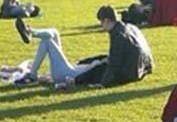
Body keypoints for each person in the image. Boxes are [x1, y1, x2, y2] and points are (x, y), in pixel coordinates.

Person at [13, 6, 154, 88]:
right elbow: (114, 59)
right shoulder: (128, 28)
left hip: (71, 74)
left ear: (106, 20)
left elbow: (113, 66)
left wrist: (98, 83)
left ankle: (32, 76)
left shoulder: (118, 36)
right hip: (79, 69)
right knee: (54, 32)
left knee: (47, 41)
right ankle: (31, 32)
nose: (101, 26)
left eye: (101, 23)